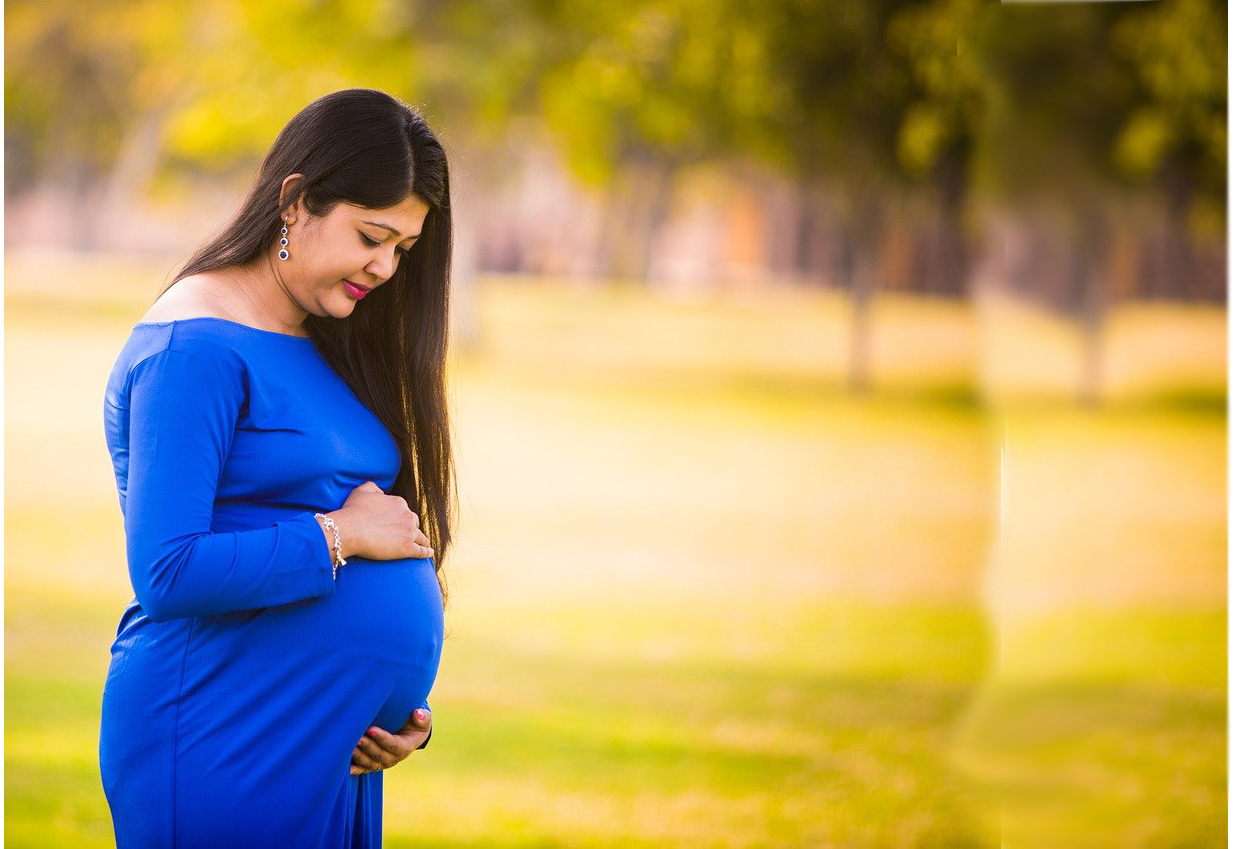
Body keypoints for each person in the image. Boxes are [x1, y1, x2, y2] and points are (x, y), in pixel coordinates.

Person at [98, 88, 457, 847]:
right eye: (372, 236)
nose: (386, 267)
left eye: (403, 248)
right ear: (296, 201)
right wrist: (340, 536)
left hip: (327, 738)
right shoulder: (193, 348)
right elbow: (167, 571)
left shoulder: (321, 333)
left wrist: (400, 713)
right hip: (220, 726)